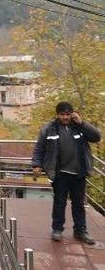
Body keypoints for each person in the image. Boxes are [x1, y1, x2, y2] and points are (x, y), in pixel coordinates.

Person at [31, 102, 101, 245]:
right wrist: (36, 165)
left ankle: (80, 230)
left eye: (68, 114)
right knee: (59, 202)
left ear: (72, 114)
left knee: (78, 204)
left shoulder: (79, 127)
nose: (65, 117)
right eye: (62, 114)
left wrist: (82, 123)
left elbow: (96, 137)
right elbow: (39, 148)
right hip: (60, 173)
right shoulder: (49, 129)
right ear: (57, 115)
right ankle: (57, 229)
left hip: (79, 173)